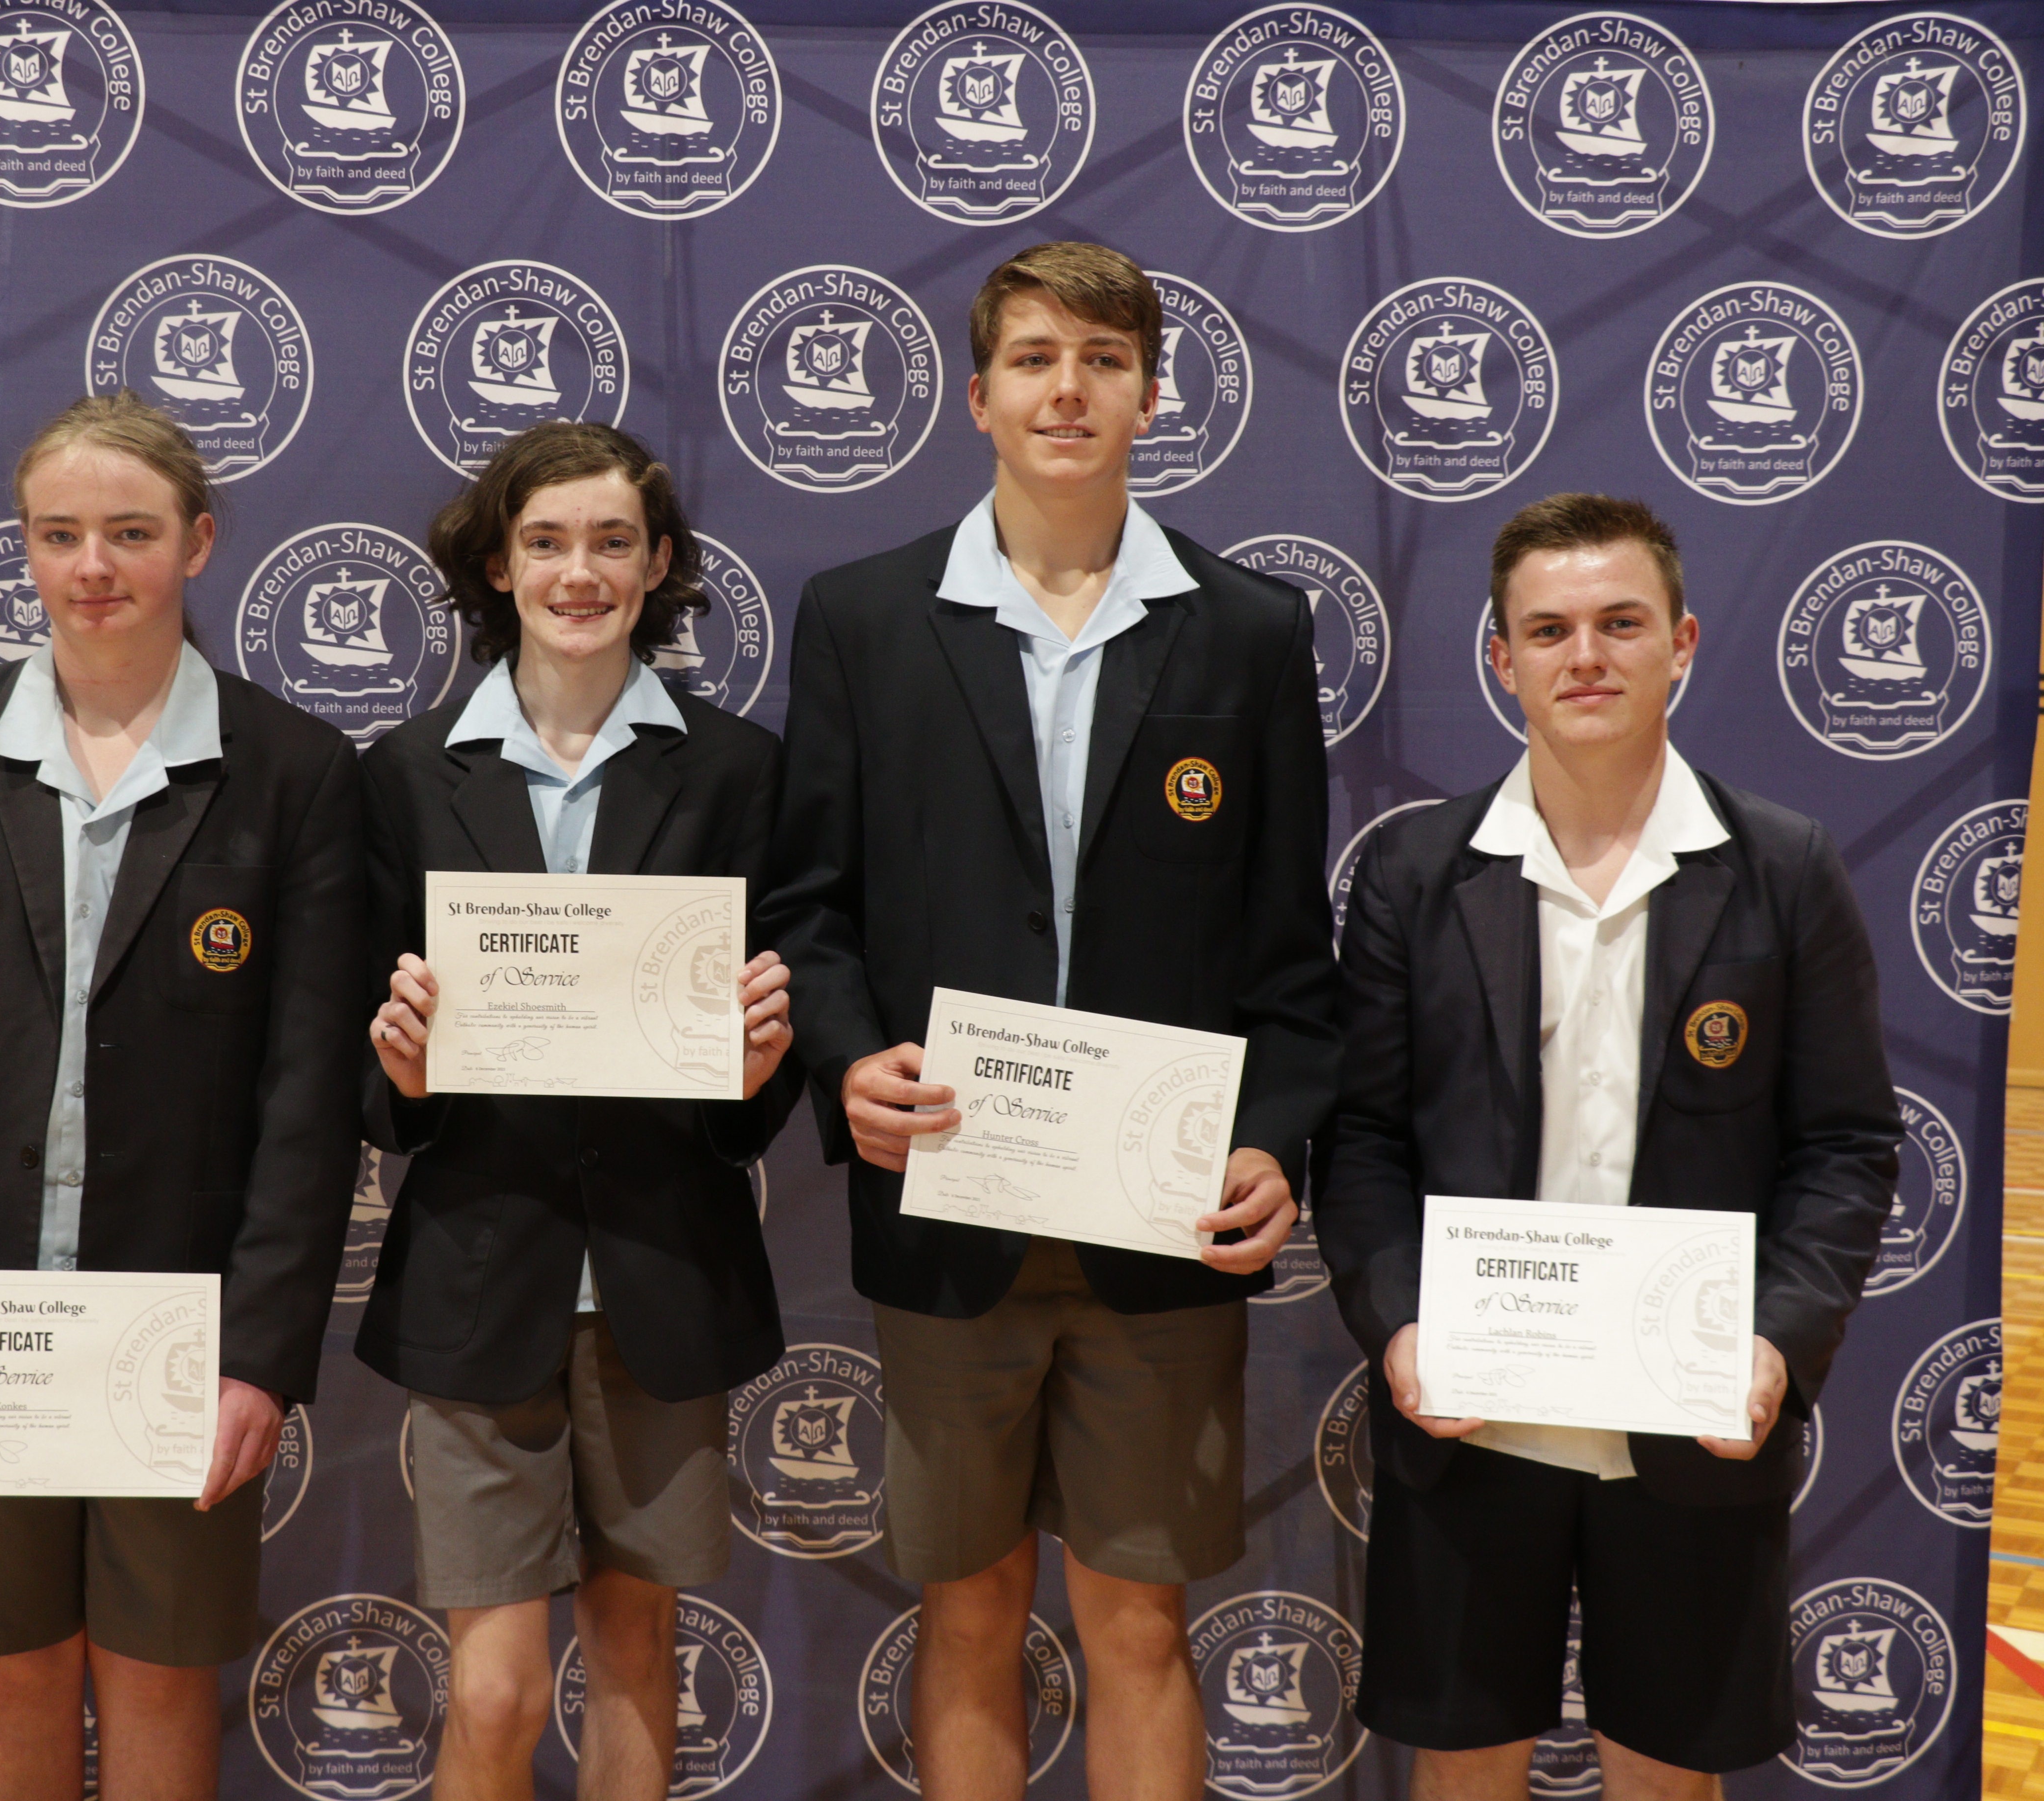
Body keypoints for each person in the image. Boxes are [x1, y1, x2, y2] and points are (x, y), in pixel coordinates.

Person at [758, 241, 1339, 1801]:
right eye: (1033, 358)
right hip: (951, 1200)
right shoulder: (866, 619)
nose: (1067, 390)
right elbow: (809, 908)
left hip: (1164, 1220)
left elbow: (1291, 958)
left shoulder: (1248, 630)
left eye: (1102, 359)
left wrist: (1273, 1142)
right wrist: (848, 1058)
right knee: (969, 1613)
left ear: (1152, 394)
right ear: (978, 397)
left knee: (1139, 1622)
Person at [0, 392, 366, 1801]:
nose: (93, 567)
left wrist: (260, 1354)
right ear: (24, 546)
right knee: (7, 1680)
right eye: (59, 534)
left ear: (199, 542)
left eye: (130, 532)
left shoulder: (296, 771)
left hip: (177, 1329)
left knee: (157, 1683)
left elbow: (308, 1102)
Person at [1316, 493, 1900, 1796]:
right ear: (1500, 658)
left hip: (1691, 1428)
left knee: (1669, 1783)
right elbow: (1361, 1141)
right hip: (1471, 1423)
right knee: (1461, 1780)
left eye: (1621, 623)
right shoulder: (1415, 874)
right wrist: (1401, 1326)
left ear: (1681, 642)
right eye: (1549, 629)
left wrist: (1775, 1344)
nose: (1585, 655)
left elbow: (1848, 1147)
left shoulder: (1785, 869)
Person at [358, 421, 800, 1801]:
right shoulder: (404, 773)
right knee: (492, 1692)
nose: (580, 572)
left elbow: (758, 1075)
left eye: (614, 542)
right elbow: (357, 1062)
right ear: (498, 565)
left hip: (664, 1272)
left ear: (659, 564)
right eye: (546, 541)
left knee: (635, 1654)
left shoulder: (738, 772)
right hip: (480, 1272)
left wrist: (756, 1069)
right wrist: (401, 1074)